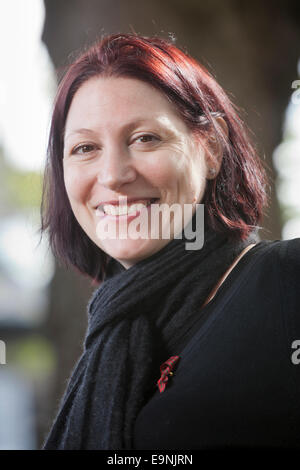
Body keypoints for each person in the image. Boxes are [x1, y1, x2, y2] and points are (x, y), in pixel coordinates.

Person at [40, 32, 300, 450]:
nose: (112, 175)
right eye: (85, 148)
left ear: (211, 147)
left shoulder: (287, 281)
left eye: (145, 138)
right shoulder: (114, 331)